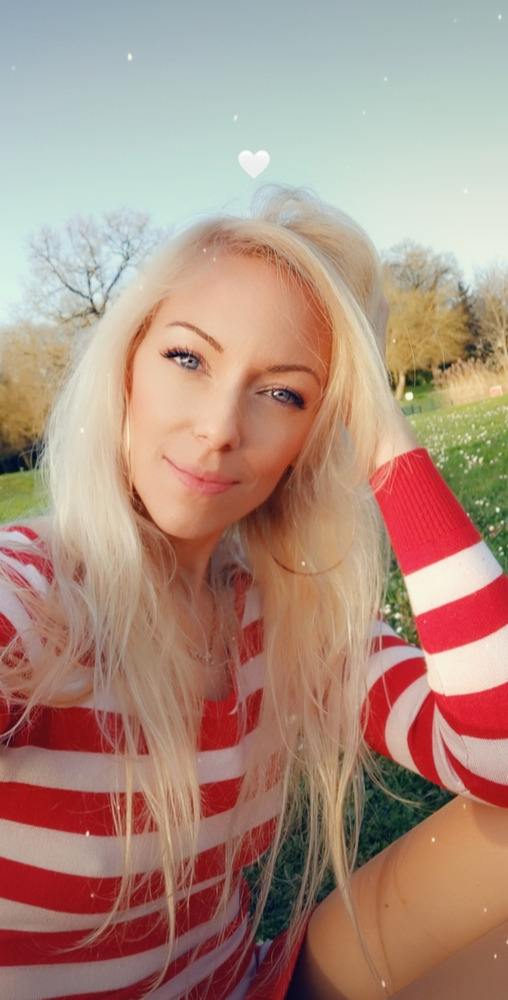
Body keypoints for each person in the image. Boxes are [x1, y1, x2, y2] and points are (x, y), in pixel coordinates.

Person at [0, 186, 507, 1000]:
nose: (218, 428)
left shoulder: (284, 615)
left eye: (284, 393)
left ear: (317, 433)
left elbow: (498, 752)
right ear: (127, 364)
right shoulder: (29, 593)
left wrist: (383, 437)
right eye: (187, 359)